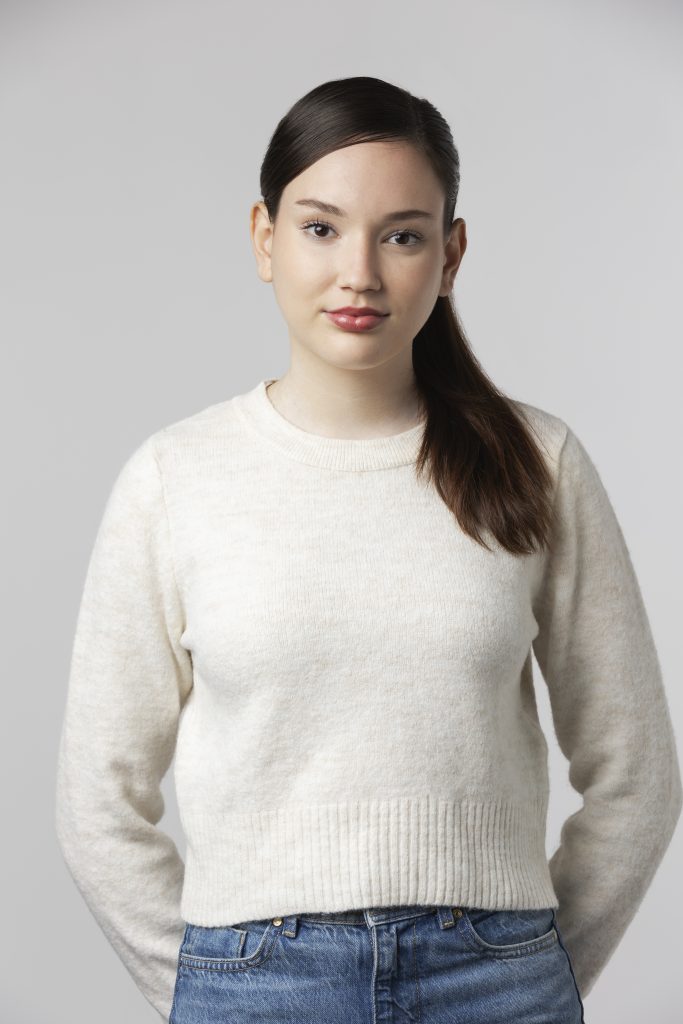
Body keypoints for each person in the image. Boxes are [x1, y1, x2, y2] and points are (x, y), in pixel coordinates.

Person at [55, 75, 682, 1024]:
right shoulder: (174, 477)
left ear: (450, 252)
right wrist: (196, 984)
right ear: (263, 239)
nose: (360, 271)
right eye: (319, 228)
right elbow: (95, 796)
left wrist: (538, 972)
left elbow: (636, 770)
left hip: (494, 977)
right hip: (257, 979)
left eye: (401, 233)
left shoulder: (537, 461)